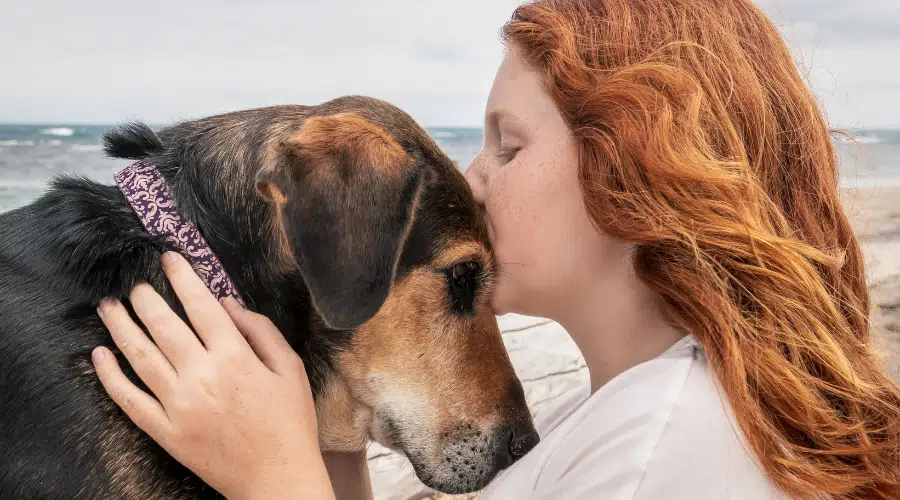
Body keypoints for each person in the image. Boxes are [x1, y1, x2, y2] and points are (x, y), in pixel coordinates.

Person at [90, 0, 900, 498]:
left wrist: (273, 484)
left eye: (507, 147)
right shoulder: (615, 409)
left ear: (635, 169)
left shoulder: (662, 440)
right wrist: (329, 432)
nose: (472, 181)